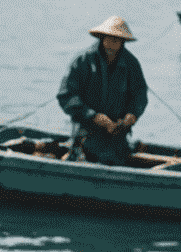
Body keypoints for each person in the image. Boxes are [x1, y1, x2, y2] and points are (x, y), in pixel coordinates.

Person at [57, 15, 149, 165]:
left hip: (117, 134)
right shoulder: (83, 61)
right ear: (102, 37)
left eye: (117, 40)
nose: (112, 43)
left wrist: (131, 115)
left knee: (117, 160)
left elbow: (140, 96)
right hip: (86, 130)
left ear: (123, 42)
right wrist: (93, 116)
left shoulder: (131, 64)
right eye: (110, 38)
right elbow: (66, 95)